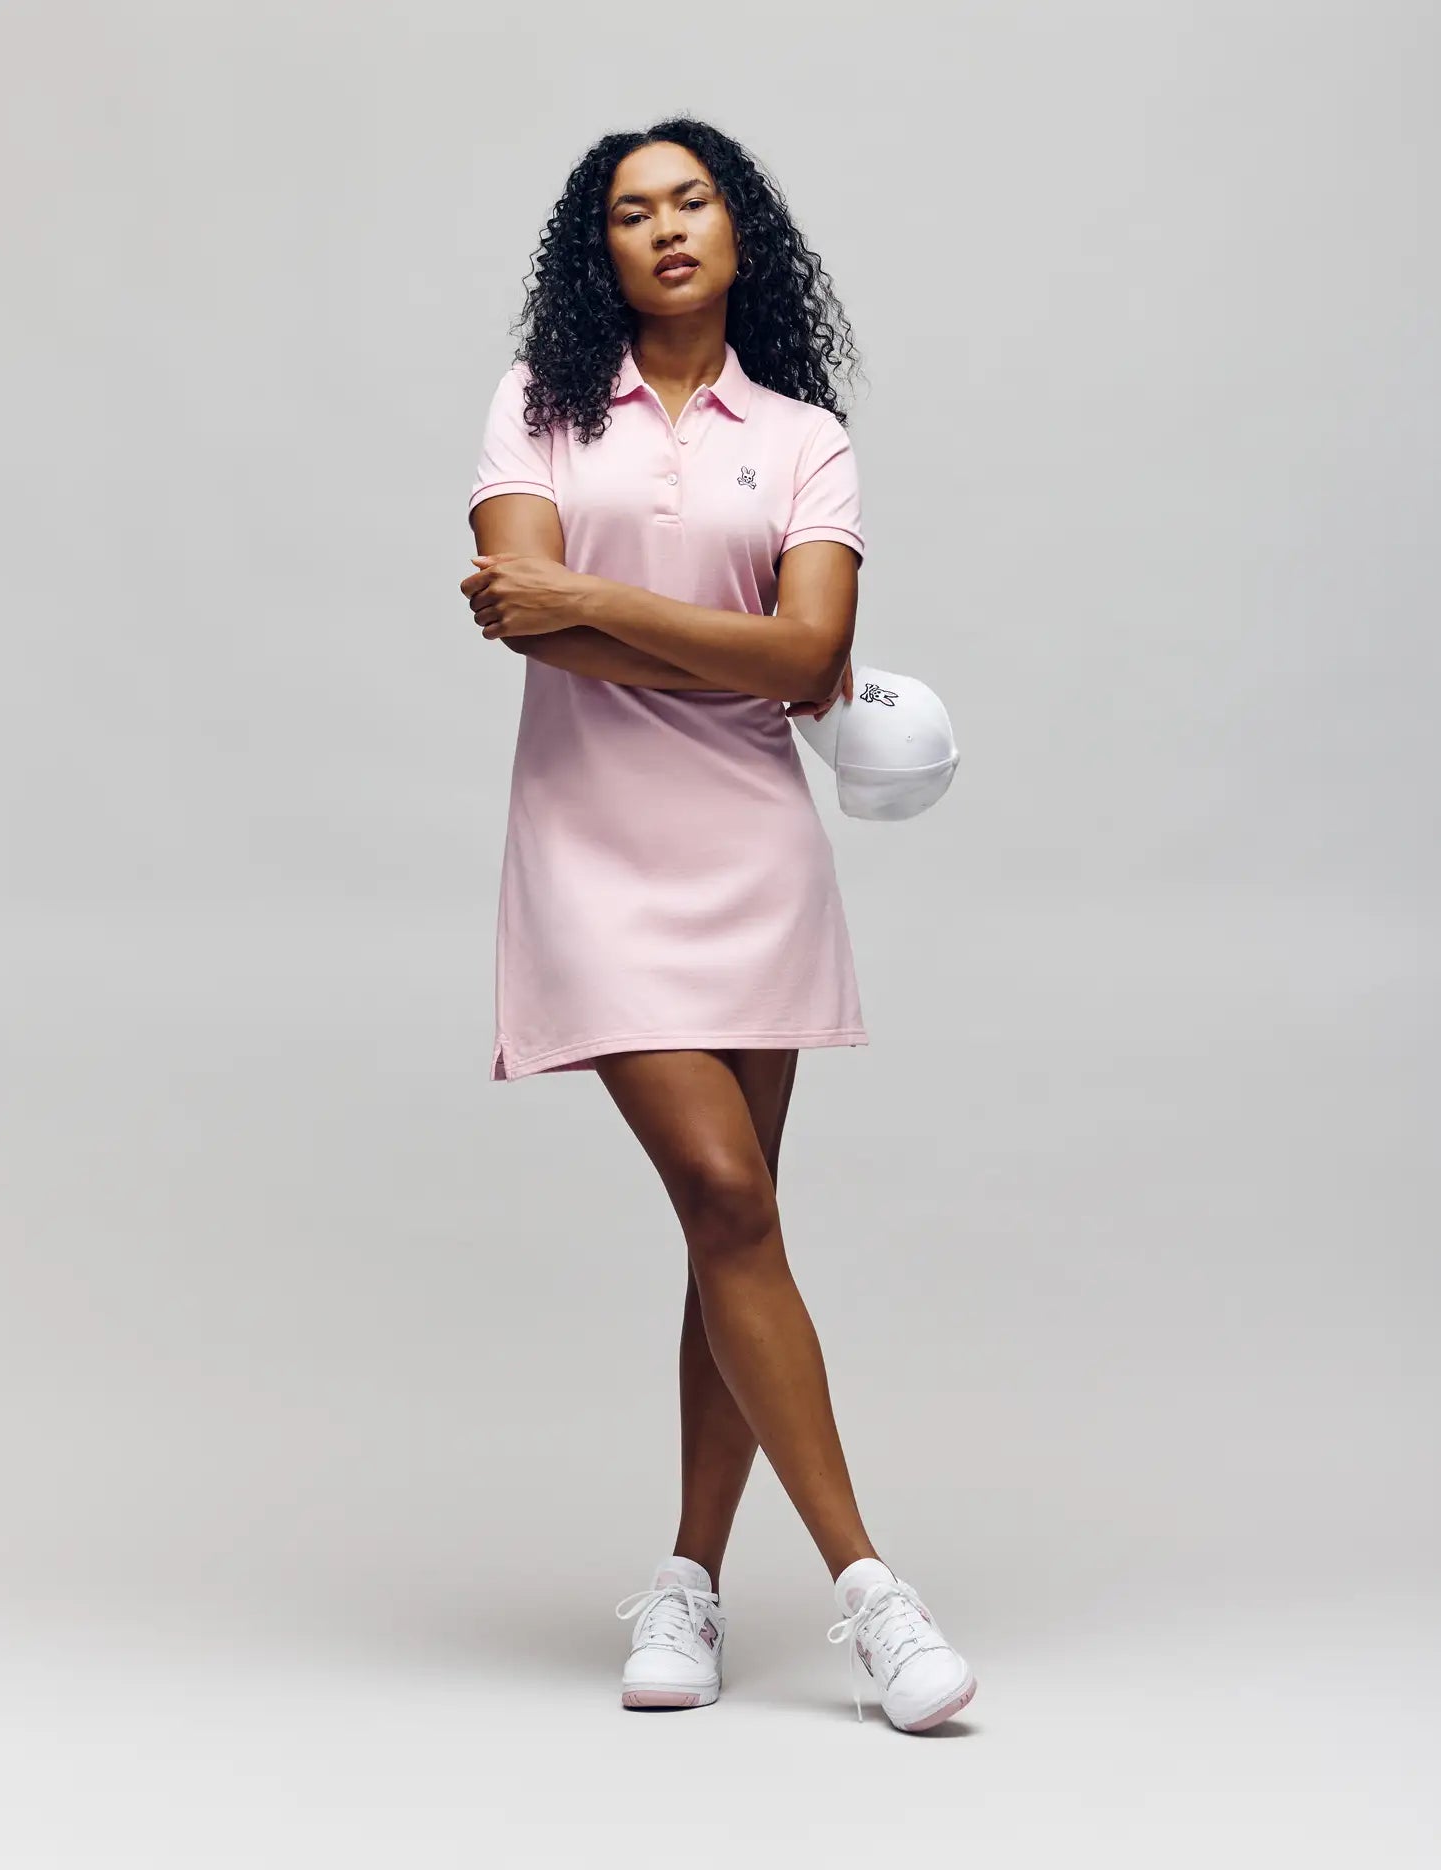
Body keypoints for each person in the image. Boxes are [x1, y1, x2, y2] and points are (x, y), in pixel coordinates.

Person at [462, 117, 976, 1733]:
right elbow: (548, 627)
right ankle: (872, 1593)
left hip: (754, 852)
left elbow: (807, 650)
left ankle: (688, 1577)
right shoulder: (538, 410)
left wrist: (596, 608)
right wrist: (745, 648)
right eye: (632, 210)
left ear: (739, 231)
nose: (667, 228)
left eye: (692, 200)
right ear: (595, 248)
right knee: (723, 1185)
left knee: (728, 1230)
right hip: (593, 848)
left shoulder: (805, 435)